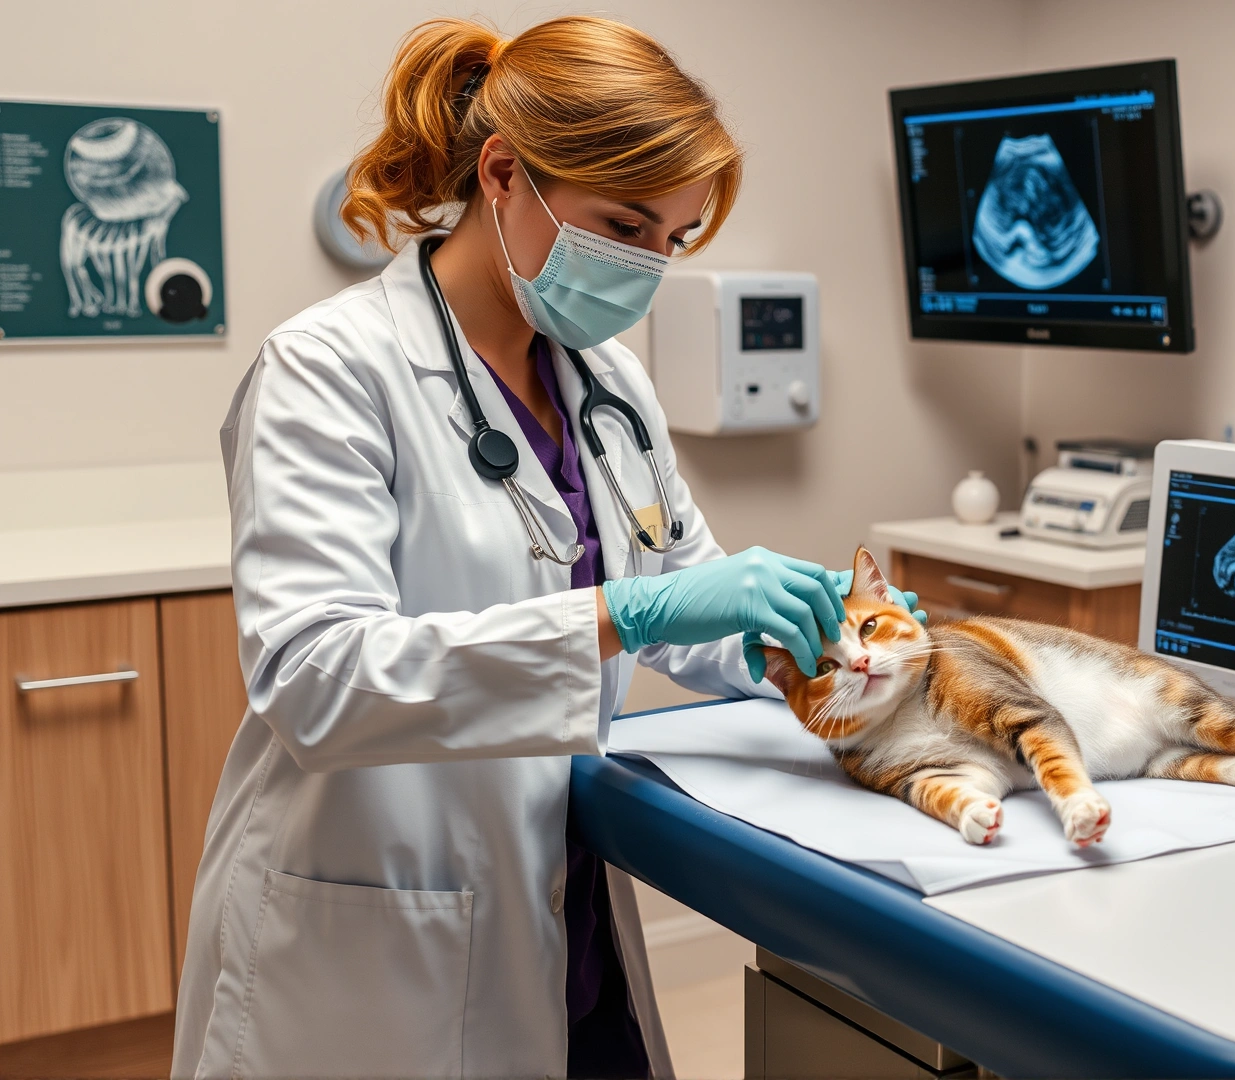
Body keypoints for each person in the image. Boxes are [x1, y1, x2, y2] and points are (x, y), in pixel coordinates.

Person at [170, 16, 913, 1079]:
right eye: (624, 223)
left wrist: (788, 634)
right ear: (505, 174)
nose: (649, 265)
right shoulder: (331, 369)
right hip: (379, 936)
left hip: (562, 909)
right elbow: (314, 679)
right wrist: (625, 615)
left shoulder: (609, 380)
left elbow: (686, 594)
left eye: (674, 238)